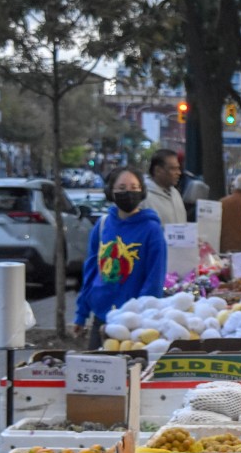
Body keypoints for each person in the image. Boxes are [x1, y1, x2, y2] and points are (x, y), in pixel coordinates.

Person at [73, 166, 167, 350]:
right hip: (102, 316)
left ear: (142, 191)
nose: (128, 193)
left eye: (134, 187)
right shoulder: (102, 225)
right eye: (122, 188)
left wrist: (142, 316)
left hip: (134, 323)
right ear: (111, 192)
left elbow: (155, 278)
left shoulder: (152, 230)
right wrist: (81, 314)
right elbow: (90, 272)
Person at [141, 149, 187, 226]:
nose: (179, 173)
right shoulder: (143, 197)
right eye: (173, 169)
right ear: (158, 170)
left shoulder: (175, 193)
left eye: (178, 168)